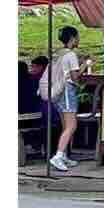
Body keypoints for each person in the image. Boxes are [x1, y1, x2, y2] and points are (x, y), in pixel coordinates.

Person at [39, 26, 86, 172]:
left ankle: (63, 154)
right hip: (66, 91)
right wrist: (86, 64)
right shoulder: (71, 55)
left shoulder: (58, 53)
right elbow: (75, 77)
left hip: (57, 92)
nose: (78, 39)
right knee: (72, 126)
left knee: (65, 125)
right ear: (72, 38)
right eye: (77, 37)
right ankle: (58, 156)